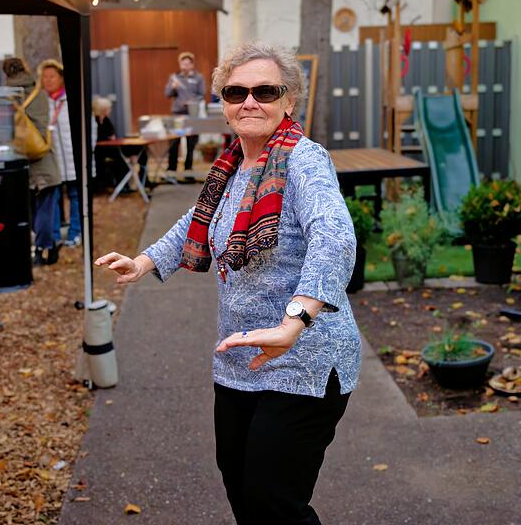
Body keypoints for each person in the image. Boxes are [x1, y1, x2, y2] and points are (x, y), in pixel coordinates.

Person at [96, 41, 359, 524]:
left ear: (289, 101)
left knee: (273, 499)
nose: (249, 102)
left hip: (306, 358)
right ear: (223, 102)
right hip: (240, 358)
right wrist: (145, 261)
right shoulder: (235, 163)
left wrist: (294, 321)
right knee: (240, 485)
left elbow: (335, 238)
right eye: (236, 92)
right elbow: (199, 221)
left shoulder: (303, 160)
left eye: (265, 90)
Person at [2, 58, 62, 266]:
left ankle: (40, 246)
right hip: (44, 159)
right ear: (26, 69)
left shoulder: (5, 97)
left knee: (31, 211)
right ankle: (44, 248)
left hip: (19, 161)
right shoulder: (40, 95)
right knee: (46, 208)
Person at [38, 59, 80, 247]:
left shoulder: (72, 99)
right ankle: (54, 237)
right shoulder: (41, 103)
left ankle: (75, 233)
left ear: (61, 77)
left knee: (75, 196)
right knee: (52, 198)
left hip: (72, 159)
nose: (48, 80)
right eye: (44, 77)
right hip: (52, 162)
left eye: (52, 76)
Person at [93, 96, 149, 191]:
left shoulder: (106, 120)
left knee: (141, 151)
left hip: (113, 146)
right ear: (103, 109)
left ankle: (144, 181)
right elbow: (102, 137)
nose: (110, 110)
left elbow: (112, 135)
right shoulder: (95, 121)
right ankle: (123, 186)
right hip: (102, 150)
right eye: (108, 108)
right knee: (120, 159)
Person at [165, 51, 204, 180]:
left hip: (192, 115)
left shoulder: (198, 78)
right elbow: (167, 94)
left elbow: (201, 94)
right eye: (183, 64)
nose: (185, 66)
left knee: (191, 143)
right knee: (174, 142)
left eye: (187, 64)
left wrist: (193, 101)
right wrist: (173, 87)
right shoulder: (175, 78)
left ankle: (188, 171)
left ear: (192, 65)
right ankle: (171, 171)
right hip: (177, 114)